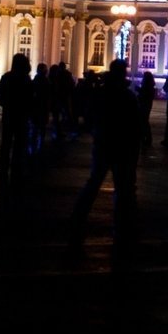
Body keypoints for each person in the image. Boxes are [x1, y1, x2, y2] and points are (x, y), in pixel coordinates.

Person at [70, 59, 140, 245]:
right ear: (123, 73)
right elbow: (135, 125)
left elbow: (90, 115)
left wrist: (96, 130)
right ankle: (124, 224)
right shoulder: (127, 96)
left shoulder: (100, 94)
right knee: (123, 187)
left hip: (103, 144)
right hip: (121, 147)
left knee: (94, 183)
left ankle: (78, 216)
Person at [0, 52, 33, 192]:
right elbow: (31, 98)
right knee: (19, 145)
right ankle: (17, 169)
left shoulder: (7, 77)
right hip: (22, 117)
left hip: (9, 115)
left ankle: (3, 167)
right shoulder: (26, 79)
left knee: (6, 143)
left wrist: (7, 104)